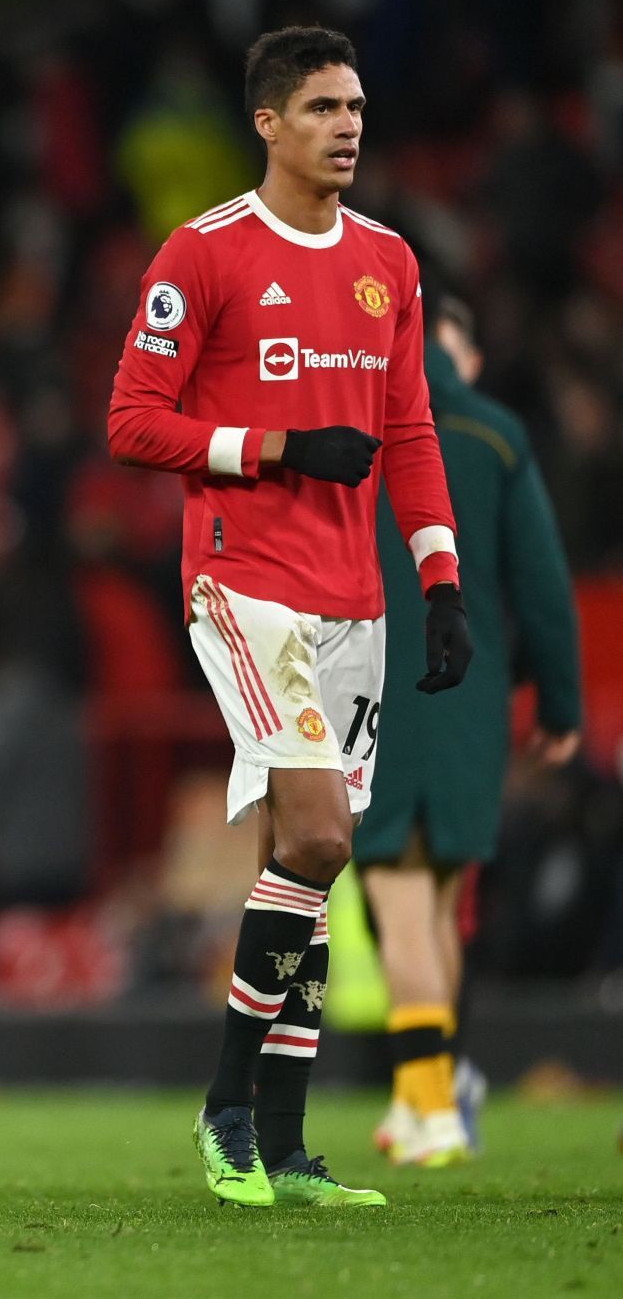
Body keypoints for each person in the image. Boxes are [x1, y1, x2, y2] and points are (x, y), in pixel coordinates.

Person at [107, 27, 473, 1209]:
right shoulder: (204, 253)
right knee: (316, 836)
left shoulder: (389, 262)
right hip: (241, 578)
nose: (349, 125)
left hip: (354, 596)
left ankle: (286, 1141)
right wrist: (269, 447)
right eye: (322, 107)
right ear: (268, 123)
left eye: (357, 105)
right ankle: (224, 1109)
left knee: (300, 866)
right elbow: (131, 420)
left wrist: (440, 577)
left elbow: (411, 431)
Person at [354, 292, 582, 1167]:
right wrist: (558, 707)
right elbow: (544, 584)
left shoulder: (356, 427)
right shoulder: (496, 435)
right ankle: (426, 1103)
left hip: (378, 684)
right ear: (468, 357)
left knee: (401, 907)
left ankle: (432, 1106)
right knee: (443, 906)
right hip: (474, 697)